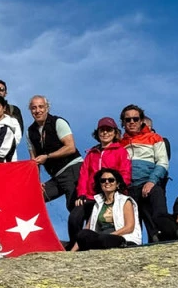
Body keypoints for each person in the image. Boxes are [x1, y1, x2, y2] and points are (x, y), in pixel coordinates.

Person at [68, 117, 132, 247]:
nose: (105, 133)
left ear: (115, 133)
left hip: (110, 195)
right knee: (75, 217)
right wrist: (81, 194)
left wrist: (118, 189)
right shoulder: (92, 153)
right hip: (91, 196)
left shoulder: (120, 151)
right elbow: (84, 175)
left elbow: (125, 172)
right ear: (97, 133)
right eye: (102, 130)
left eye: (109, 130)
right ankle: (76, 244)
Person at [119, 105, 170, 243]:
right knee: (132, 228)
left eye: (135, 118)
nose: (132, 122)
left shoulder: (155, 138)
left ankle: (164, 236)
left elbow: (163, 162)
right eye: (127, 119)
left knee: (155, 221)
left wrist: (152, 181)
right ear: (123, 122)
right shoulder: (119, 144)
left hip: (148, 183)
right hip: (128, 188)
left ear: (141, 120)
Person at [25, 95, 83, 210]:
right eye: (34, 108)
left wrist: (47, 157)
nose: (37, 111)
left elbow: (70, 147)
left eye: (41, 107)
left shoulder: (58, 122)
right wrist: (36, 182)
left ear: (47, 108)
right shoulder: (30, 132)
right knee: (33, 197)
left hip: (73, 169)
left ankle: (84, 227)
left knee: (75, 207)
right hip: (56, 176)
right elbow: (34, 161)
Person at [70, 168, 141, 251]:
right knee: (82, 234)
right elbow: (87, 228)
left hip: (120, 238)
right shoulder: (97, 204)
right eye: (103, 180)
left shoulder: (125, 201)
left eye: (111, 180)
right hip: (100, 238)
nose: (107, 182)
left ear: (117, 184)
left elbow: (129, 227)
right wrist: (72, 252)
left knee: (103, 239)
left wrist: (110, 235)